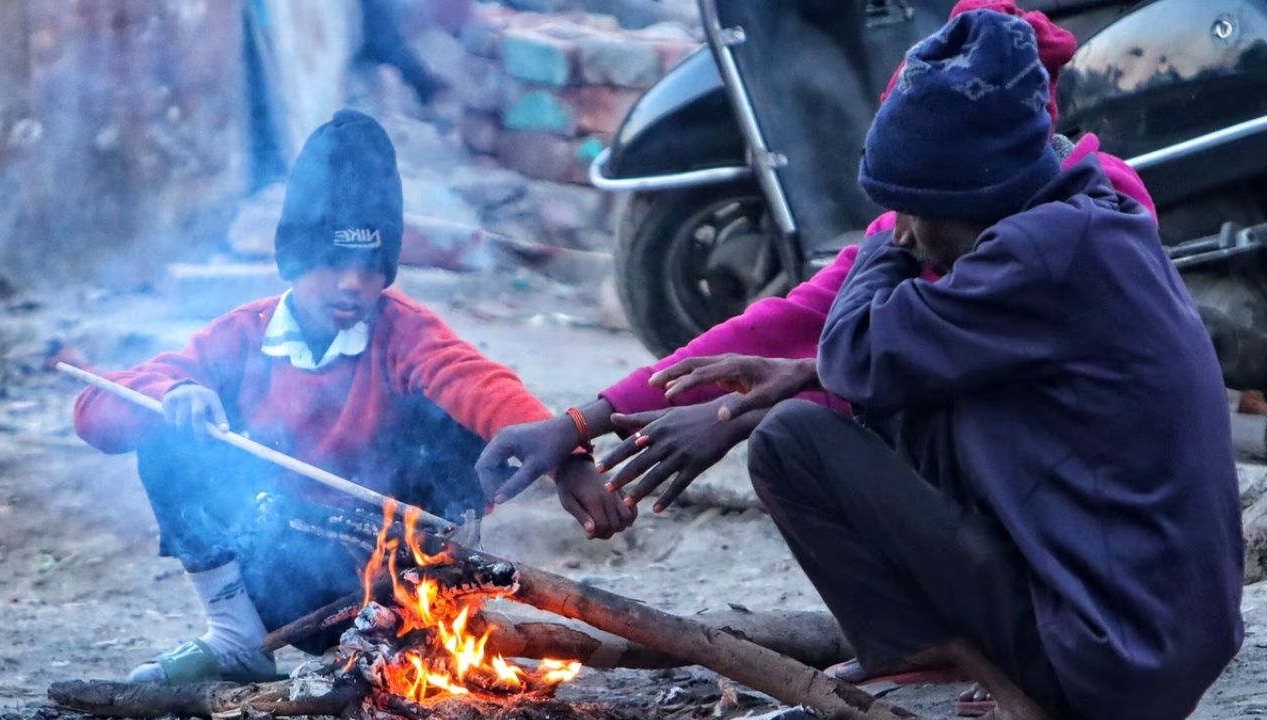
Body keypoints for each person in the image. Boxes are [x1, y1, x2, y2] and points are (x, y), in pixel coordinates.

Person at [476, 0, 1154, 528]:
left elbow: (915, 376)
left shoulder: (1081, 230)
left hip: (1105, 538)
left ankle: (1010, 645)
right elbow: (786, 324)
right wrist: (577, 424)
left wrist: (734, 419)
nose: (899, 229)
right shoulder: (928, 223)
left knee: (839, 433)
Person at [737, 10, 1242, 719]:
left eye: (909, 208)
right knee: (919, 404)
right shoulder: (1088, 219)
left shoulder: (1041, 252)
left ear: (964, 195)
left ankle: (1000, 682)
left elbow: (850, 357)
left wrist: (889, 243)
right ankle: (1002, 668)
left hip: (1112, 658)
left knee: (794, 444)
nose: (906, 229)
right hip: (1155, 642)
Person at [73, 110, 629, 685]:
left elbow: (483, 387)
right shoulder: (241, 335)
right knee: (166, 426)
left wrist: (567, 454)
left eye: (369, 267)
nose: (352, 284)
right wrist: (175, 393)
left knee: (454, 418)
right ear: (294, 259)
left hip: (385, 570)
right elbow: (93, 411)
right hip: (278, 569)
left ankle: (428, 633)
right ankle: (237, 639)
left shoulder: (404, 331)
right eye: (333, 262)